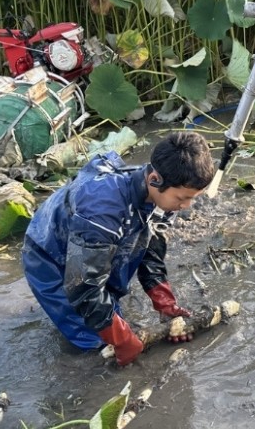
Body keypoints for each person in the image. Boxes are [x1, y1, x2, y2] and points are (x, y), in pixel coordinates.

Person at [21, 131, 216, 366]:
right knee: (97, 343)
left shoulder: (161, 196)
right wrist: (121, 339)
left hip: (92, 241)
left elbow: (150, 250)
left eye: (193, 198)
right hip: (49, 255)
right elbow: (82, 285)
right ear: (154, 179)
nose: (186, 206)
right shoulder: (102, 209)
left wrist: (165, 303)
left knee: (110, 309)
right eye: (182, 198)